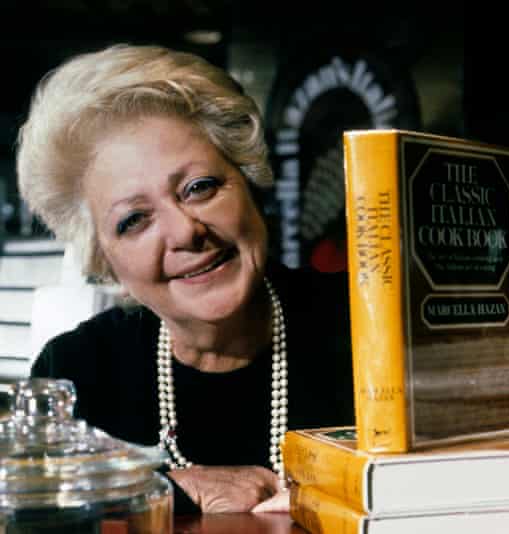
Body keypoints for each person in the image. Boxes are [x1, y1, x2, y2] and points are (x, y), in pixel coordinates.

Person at [16, 44, 354, 514]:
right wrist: (162, 488)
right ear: (105, 260)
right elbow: (31, 508)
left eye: (200, 188)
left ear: (248, 181)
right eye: (134, 220)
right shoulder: (78, 370)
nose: (185, 231)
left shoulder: (365, 329)